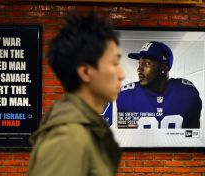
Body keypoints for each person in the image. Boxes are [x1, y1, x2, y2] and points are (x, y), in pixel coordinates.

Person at [28, 12, 125, 176]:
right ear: (86, 72)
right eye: (115, 63)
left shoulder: (86, 128)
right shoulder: (68, 138)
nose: (121, 74)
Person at [117, 41, 202, 129]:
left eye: (146, 63)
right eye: (139, 63)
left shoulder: (188, 94)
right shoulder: (127, 96)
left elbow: (192, 137)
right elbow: (126, 139)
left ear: (164, 68)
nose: (139, 69)